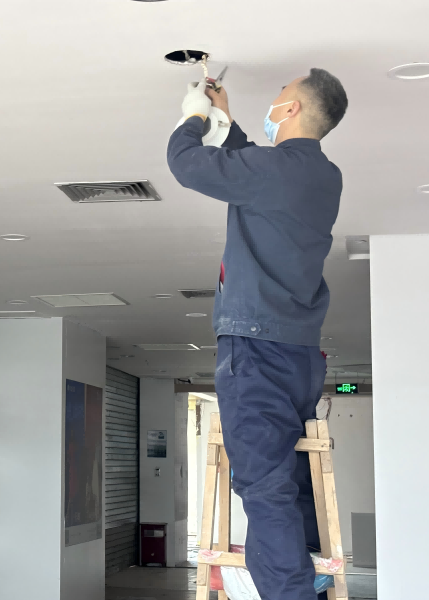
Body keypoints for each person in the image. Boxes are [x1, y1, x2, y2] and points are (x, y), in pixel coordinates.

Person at [167, 69, 348, 600]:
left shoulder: (274, 171)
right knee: (288, 478)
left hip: (256, 347)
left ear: (291, 110)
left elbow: (186, 163)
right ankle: (304, 577)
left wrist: (194, 118)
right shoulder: (324, 176)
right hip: (296, 352)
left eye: (278, 97)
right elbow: (259, 168)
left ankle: (290, 592)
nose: (273, 103)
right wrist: (228, 123)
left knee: (264, 486)